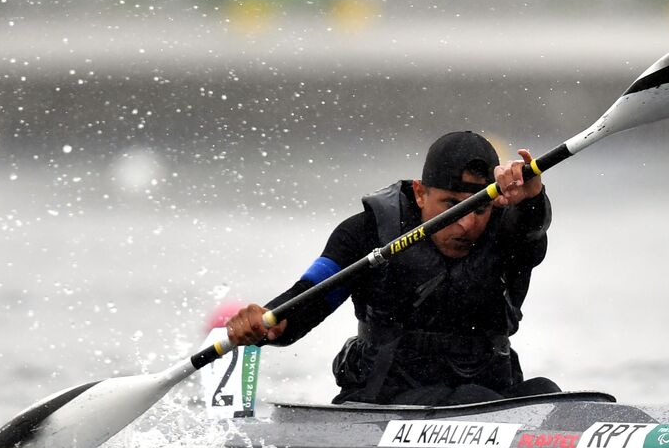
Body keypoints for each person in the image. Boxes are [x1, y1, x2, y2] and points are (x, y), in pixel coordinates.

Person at [225, 131, 561, 406]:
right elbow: (312, 293)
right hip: (385, 398)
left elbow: (533, 226)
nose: (466, 224)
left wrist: (533, 195)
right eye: (451, 205)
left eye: (479, 208)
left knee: (546, 392)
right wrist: (269, 322)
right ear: (420, 193)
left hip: (490, 395)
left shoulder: (510, 232)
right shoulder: (368, 231)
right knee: (471, 398)